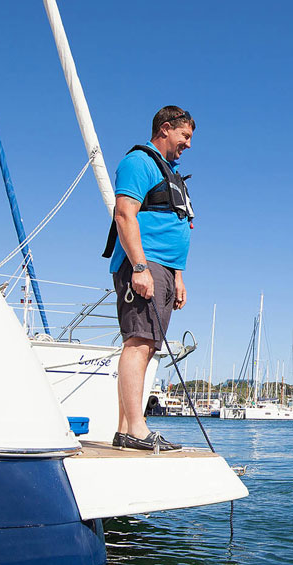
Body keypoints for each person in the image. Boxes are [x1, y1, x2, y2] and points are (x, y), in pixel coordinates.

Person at [104, 106, 196, 452]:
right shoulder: (139, 162)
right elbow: (125, 214)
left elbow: (177, 226)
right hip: (145, 264)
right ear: (166, 128)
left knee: (148, 346)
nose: (187, 144)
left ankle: (127, 428)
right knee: (139, 342)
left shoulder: (170, 173)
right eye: (184, 136)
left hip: (165, 269)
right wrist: (140, 268)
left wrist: (179, 277)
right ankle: (136, 429)